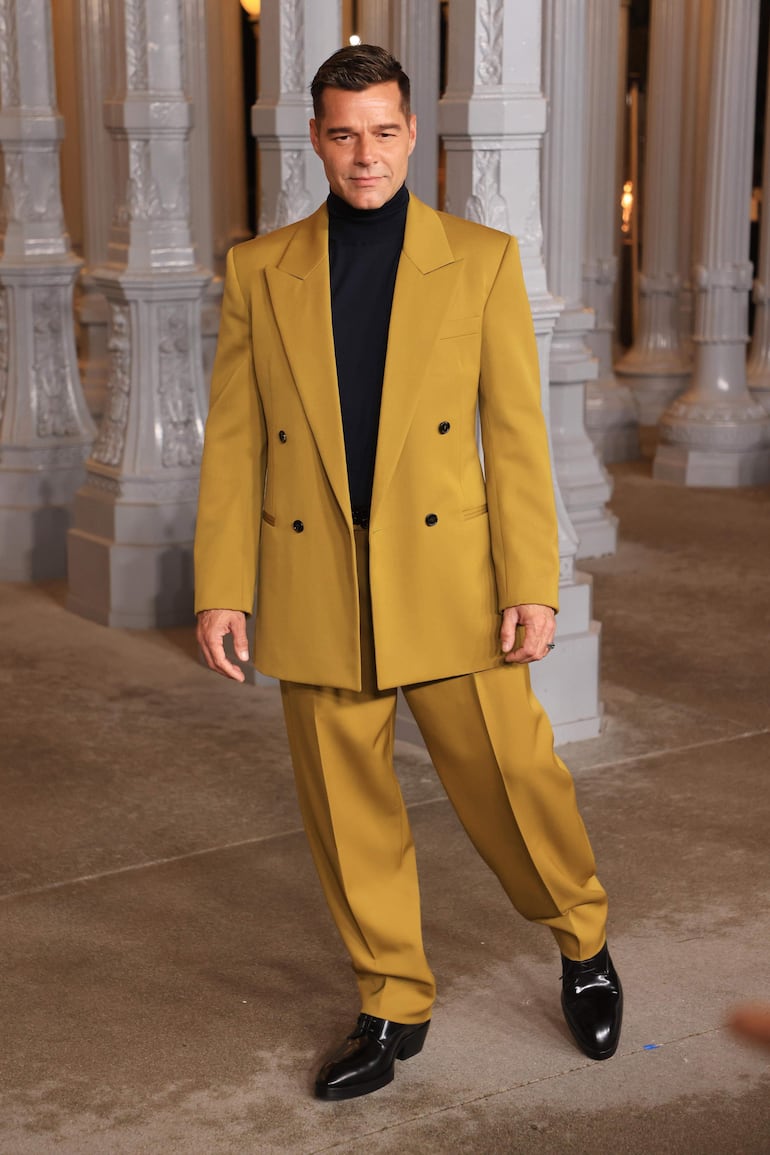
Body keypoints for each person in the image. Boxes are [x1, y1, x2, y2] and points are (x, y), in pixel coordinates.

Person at [194, 44, 622, 1101]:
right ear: (314, 138)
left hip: (448, 576)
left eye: (383, 131)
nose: (364, 153)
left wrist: (532, 580)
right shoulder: (262, 267)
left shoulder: (477, 258)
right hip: (314, 578)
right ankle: (390, 1001)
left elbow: (515, 436)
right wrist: (221, 585)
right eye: (342, 133)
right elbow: (236, 438)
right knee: (348, 814)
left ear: (409, 136)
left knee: (513, 783)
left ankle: (581, 941)